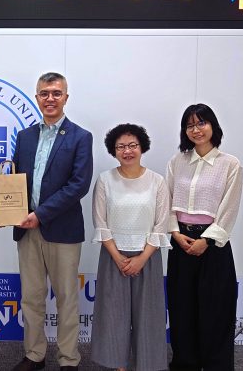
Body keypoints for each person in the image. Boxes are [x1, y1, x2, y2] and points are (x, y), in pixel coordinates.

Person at [10, 72, 93, 371]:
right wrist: (4, 209)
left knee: (67, 300)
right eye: (44, 93)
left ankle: (69, 360)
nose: (50, 99)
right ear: (37, 97)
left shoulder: (81, 137)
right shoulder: (25, 136)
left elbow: (78, 185)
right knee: (31, 298)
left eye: (56, 93)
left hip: (62, 231)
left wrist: (40, 214)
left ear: (66, 97)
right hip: (26, 231)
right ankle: (35, 355)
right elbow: (15, 182)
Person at [166, 103, 243, 371]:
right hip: (180, 244)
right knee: (181, 311)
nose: (196, 129)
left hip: (213, 247)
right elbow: (167, 201)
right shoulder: (177, 162)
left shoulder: (230, 164)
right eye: (190, 125)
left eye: (201, 123)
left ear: (213, 126)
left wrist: (206, 241)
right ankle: (184, 364)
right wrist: (175, 233)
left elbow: (229, 208)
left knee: (215, 314)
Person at [90, 123, 170, 371]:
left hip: (148, 256)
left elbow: (161, 224)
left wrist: (142, 258)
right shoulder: (105, 180)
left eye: (132, 145)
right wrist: (118, 256)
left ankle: (147, 364)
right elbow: (100, 223)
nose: (127, 151)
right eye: (121, 146)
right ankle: (118, 365)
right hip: (114, 256)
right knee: (114, 316)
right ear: (114, 151)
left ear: (142, 147)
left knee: (149, 317)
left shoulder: (157, 181)